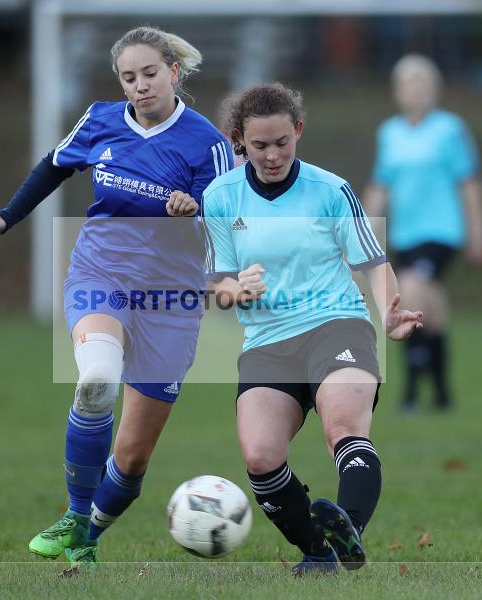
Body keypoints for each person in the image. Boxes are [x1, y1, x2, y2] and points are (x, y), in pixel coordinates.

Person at [0, 26, 233, 564]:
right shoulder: (101, 120)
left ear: (174, 73)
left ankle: (88, 534)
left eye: (150, 74)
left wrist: (199, 211)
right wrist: (5, 217)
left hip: (171, 300)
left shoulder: (208, 143)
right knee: (95, 381)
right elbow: (53, 167)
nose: (139, 86)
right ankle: (73, 513)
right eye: (128, 77)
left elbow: (233, 225)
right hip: (100, 275)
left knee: (132, 460)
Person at [202, 83, 423, 575]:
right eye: (260, 145)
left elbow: (373, 260)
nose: (273, 154)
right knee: (260, 455)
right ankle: (318, 553)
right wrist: (236, 290)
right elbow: (215, 282)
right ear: (239, 140)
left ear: (298, 131)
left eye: (282, 141)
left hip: (335, 325)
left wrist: (388, 311)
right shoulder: (220, 197)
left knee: (343, 427)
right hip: (266, 341)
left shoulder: (330, 190)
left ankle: (349, 531)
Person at [362, 54, 482, 412]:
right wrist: (364, 231)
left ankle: (412, 393)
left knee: (411, 291)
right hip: (406, 233)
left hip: (443, 230)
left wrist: (478, 234)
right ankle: (443, 393)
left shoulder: (450, 129)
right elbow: (380, 185)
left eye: (420, 84)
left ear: (433, 90)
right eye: (406, 84)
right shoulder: (389, 133)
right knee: (431, 308)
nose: (413, 91)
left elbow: (469, 184)